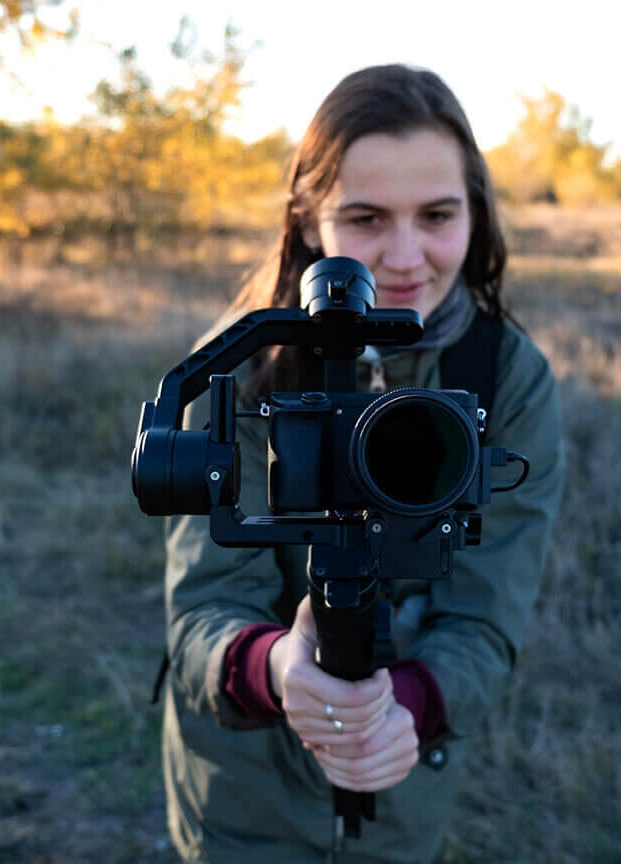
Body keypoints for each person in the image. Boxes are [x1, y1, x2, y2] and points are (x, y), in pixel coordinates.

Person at [161, 64, 565, 864]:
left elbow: (485, 614)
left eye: (438, 215)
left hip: (404, 799)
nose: (405, 256)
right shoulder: (242, 365)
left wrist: (405, 707)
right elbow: (203, 607)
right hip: (242, 801)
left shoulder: (504, 378)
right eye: (367, 218)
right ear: (310, 222)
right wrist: (276, 669)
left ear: (475, 218)